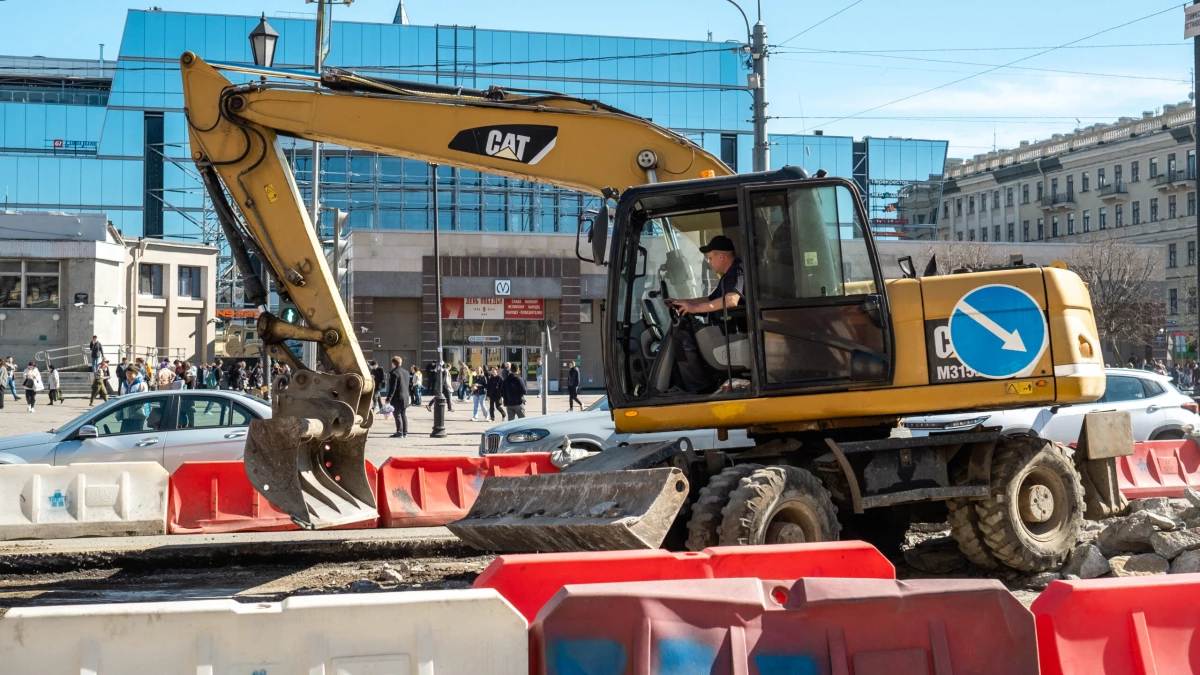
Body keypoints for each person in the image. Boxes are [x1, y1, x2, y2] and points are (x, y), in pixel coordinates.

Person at [666, 234, 745, 393]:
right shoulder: (728, 276)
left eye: (710, 258)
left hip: (734, 331)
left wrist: (695, 309)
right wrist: (683, 302)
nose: (709, 262)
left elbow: (731, 300)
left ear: (721, 256)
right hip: (724, 329)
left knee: (684, 340)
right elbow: (710, 299)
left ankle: (697, 389)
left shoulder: (737, 270)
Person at [385, 356, 409, 438]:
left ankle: (399, 432)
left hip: (397, 397)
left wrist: (388, 398)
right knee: (403, 415)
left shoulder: (394, 373)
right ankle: (405, 432)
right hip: (405, 396)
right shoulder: (406, 372)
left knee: (397, 414)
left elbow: (393, 388)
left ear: (393, 363)